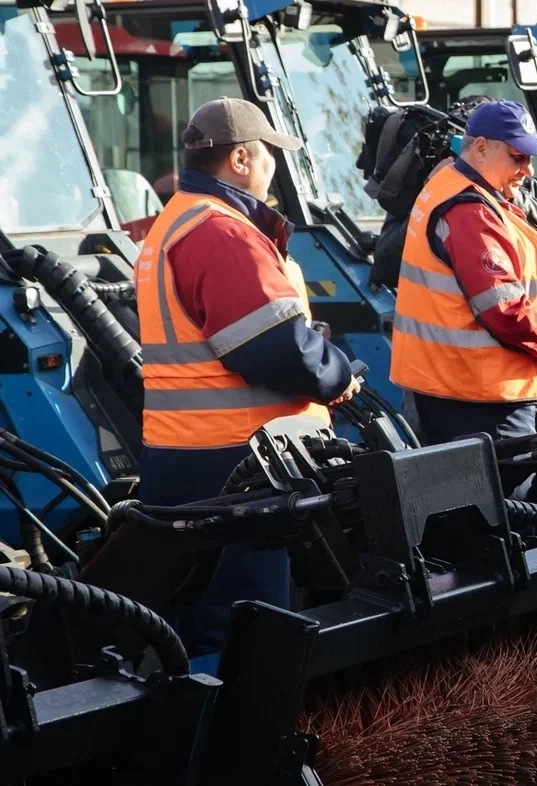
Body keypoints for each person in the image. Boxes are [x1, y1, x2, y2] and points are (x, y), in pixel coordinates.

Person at [133, 97, 359, 653]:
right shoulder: (221, 232)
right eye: (267, 155)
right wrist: (339, 375)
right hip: (237, 462)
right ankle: (234, 739)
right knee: (245, 630)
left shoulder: (181, 218)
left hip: (191, 456)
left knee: (197, 623)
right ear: (239, 159)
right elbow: (272, 348)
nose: (273, 167)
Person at [389, 99, 537, 446]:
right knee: (511, 499)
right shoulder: (471, 211)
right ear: (481, 148)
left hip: (448, 390)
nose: (527, 170)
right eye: (518, 157)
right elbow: (505, 311)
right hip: (481, 398)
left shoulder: (449, 188)